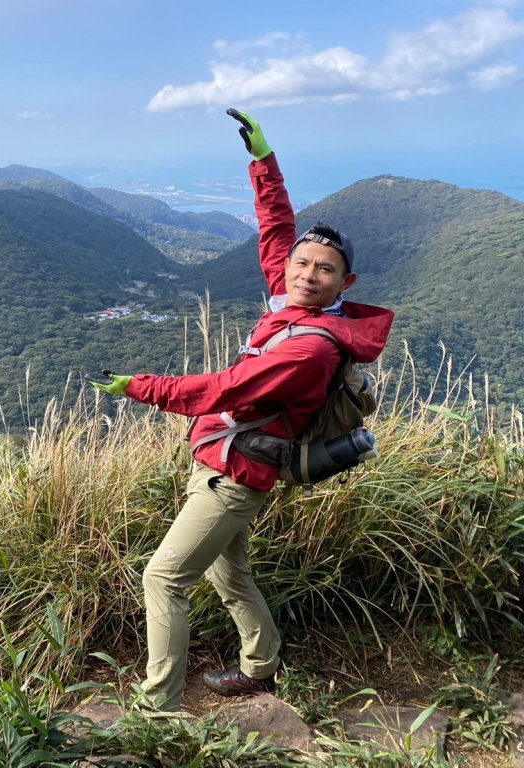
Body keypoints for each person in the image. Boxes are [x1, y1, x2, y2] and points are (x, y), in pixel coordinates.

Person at [91, 109, 394, 711]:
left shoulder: (310, 347)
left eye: (324, 269)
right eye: (303, 263)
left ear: (345, 283)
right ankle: (261, 667)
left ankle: (158, 705)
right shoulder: (294, 300)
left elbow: (226, 391)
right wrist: (264, 161)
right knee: (230, 576)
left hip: (235, 475)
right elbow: (277, 229)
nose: (307, 272)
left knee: (163, 578)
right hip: (226, 459)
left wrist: (141, 388)